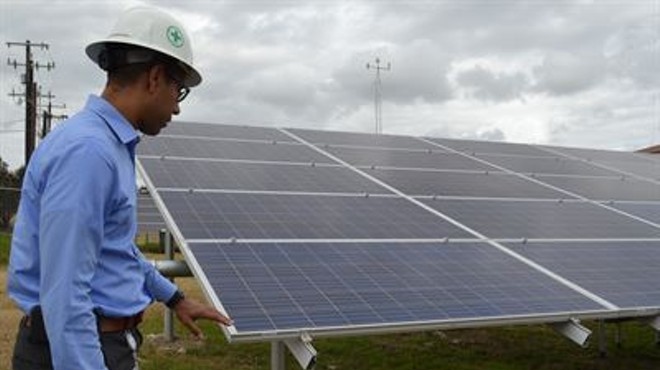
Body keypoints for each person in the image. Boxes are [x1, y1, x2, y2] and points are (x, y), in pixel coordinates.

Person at [7, 6, 232, 370]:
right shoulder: (89, 153)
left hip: (102, 343)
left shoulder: (106, 145)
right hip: (80, 350)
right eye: (180, 89)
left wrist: (175, 298)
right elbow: (66, 295)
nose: (177, 107)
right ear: (156, 78)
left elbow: (113, 249)